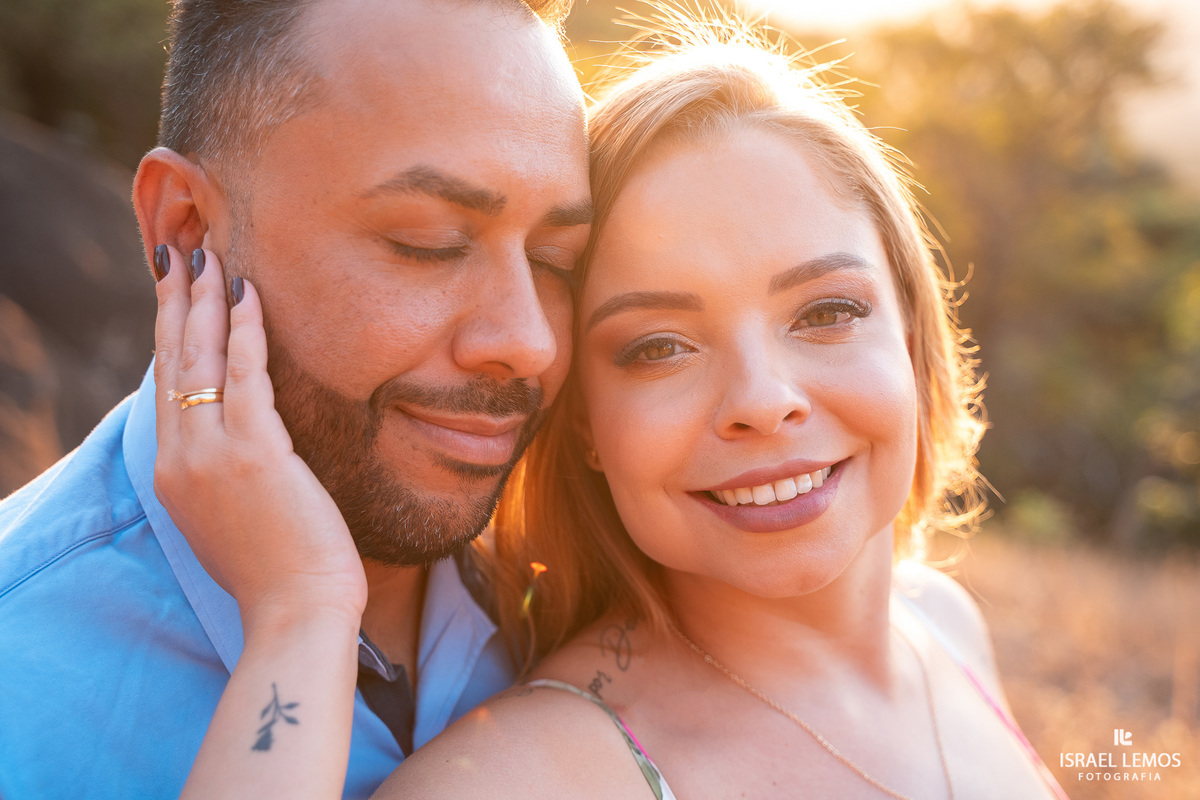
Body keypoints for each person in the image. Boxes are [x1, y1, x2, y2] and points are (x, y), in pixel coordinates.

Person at [158, 13, 1073, 800]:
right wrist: (303, 608)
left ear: (912, 335)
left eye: (827, 312)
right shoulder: (527, 776)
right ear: (586, 423)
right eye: (658, 347)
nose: (762, 401)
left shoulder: (948, 625)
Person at [0, 0, 593, 796]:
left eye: (557, 259)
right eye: (428, 244)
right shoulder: (22, 687)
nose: (530, 342)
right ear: (185, 231)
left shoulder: (581, 593)